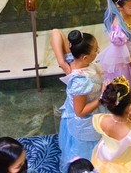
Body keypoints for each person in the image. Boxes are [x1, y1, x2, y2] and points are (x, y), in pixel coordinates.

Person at [51, 29, 104, 167]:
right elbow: (79, 112)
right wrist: (102, 99)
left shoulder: (71, 60)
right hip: (85, 122)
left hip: (92, 111)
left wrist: (62, 62)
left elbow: (56, 32)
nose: (98, 52)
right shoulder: (80, 81)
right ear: (85, 57)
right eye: (96, 50)